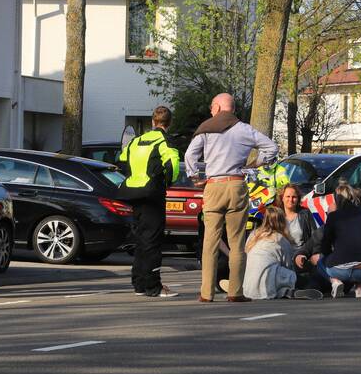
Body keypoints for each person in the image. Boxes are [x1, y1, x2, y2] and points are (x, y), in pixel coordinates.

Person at [185, 93, 278, 302]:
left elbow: (190, 155)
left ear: (217, 108)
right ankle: (235, 292)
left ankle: (206, 293)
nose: (211, 111)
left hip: (213, 186)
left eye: (211, 107)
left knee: (210, 241)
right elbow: (271, 147)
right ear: (233, 109)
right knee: (237, 241)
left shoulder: (206, 128)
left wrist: (194, 176)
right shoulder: (244, 129)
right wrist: (257, 163)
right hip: (236, 184)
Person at [117, 106, 180, 298]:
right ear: (168, 123)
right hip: (152, 194)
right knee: (152, 240)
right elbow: (173, 165)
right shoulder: (165, 140)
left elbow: (121, 160)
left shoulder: (136, 141)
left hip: (134, 193)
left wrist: (134, 177)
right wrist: (167, 182)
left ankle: (139, 284)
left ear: (153, 122)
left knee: (141, 239)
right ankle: (154, 286)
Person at [318, 183, 361, 299]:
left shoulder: (333, 217)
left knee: (320, 262)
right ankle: (360, 288)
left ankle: (335, 282)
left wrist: (331, 256)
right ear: (353, 197)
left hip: (338, 270)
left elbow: (325, 245)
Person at [279, 184, 326, 292]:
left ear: (298, 198)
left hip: (302, 256)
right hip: (282, 257)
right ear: (282, 198)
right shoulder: (277, 215)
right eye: (288, 196)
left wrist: (312, 254)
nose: (291, 200)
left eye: (294, 197)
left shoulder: (305, 213)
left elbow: (314, 237)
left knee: (315, 283)